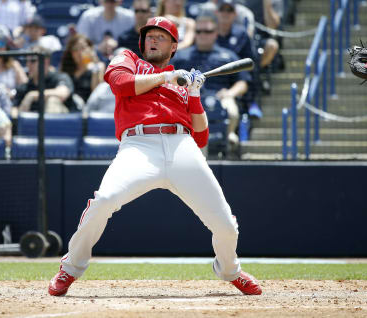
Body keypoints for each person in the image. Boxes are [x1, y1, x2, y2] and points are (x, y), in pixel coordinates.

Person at [48, 16, 262, 297]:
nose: (153, 39)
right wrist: (165, 77)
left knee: (226, 225)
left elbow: (201, 137)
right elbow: (121, 83)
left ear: (174, 46)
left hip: (181, 145)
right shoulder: (128, 59)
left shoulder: (182, 82)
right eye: (149, 35)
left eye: (161, 36)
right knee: (105, 201)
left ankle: (229, 270)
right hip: (139, 145)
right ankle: (70, 268)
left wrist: (193, 93)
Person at [173, 13, 251, 145]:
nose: (203, 35)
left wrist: (230, 93)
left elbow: (242, 82)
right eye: (199, 31)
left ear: (216, 33)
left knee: (231, 109)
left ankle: (229, 135)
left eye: (207, 31)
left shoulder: (228, 56)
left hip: (220, 98)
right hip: (188, 99)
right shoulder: (181, 56)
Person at [215, 0, 262, 118]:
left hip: (236, 75)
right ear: (216, 12)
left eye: (229, 10)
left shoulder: (241, 34)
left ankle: (251, 103)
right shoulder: (208, 32)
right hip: (214, 74)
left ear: (235, 14)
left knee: (251, 70)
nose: (225, 13)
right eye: (222, 10)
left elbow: (249, 60)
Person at [13, 46, 76, 116]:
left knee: (52, 100)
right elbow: (14, 110)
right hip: (31, 125)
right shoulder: (24, 87)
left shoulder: (59, 77)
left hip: (60, 123)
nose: (28, 64)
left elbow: (63, 93)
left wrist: (32, 95)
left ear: (46, 61)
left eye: (33, 61)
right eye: (27, 61)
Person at [59, 34, 105, 104]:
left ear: (90, 49)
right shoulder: (66, 69)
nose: (79, 52)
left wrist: (95, 64)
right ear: (71, 53)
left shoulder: (98, 67)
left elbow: (96, 95)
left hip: (88, 109)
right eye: (75, 50)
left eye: (83, 48)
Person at [0, 30, 28, 97]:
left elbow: (25, 85)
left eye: (1, 43)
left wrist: (12, 93)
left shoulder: (14, 65)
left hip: (11, 101)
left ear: (6, 47)